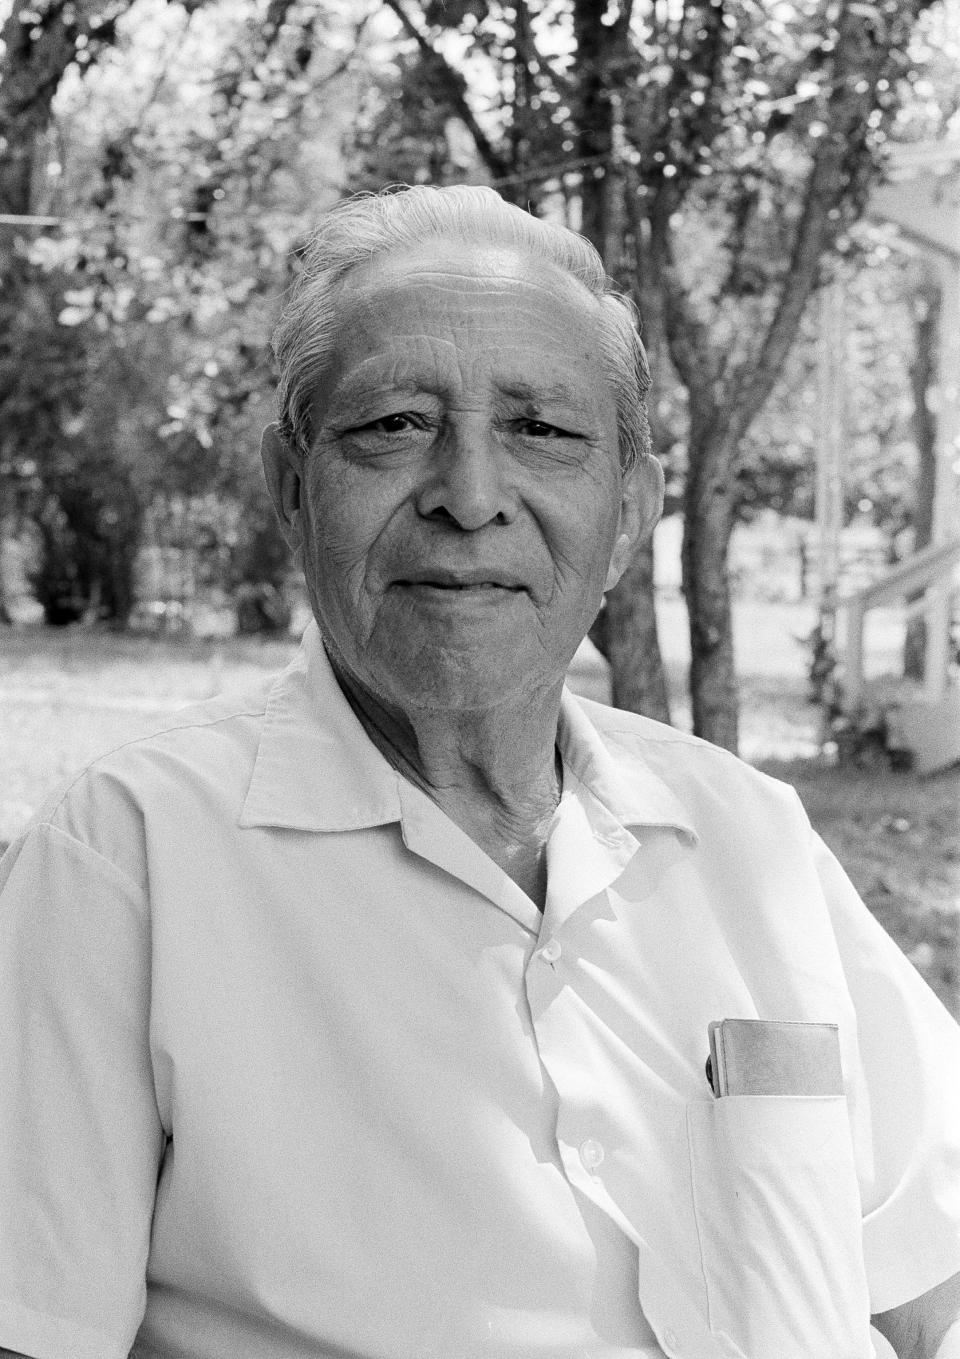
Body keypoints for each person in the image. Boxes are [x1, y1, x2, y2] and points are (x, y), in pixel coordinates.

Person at [0, 184, 958, 1359]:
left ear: (630, 511)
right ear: (291, 490)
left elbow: (928, 1288)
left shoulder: (749, 836)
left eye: (543, 431)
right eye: (394, 424)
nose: (468, 494)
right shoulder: (128, 860)